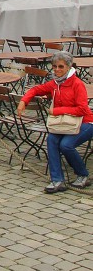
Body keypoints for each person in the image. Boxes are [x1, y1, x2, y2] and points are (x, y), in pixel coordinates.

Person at [17, 51, 93, 193]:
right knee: (52, 140)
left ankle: (83, 175)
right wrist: (23, 101)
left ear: (68, 67)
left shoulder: (77, 84)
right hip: (63, 124)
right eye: (54, 66)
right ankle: (57, 179)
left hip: (86, 122)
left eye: (61, 67)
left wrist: (57, 111)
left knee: (66, 145)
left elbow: (82, 109)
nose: (57, 70)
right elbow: (35, 89)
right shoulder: (54, 84)